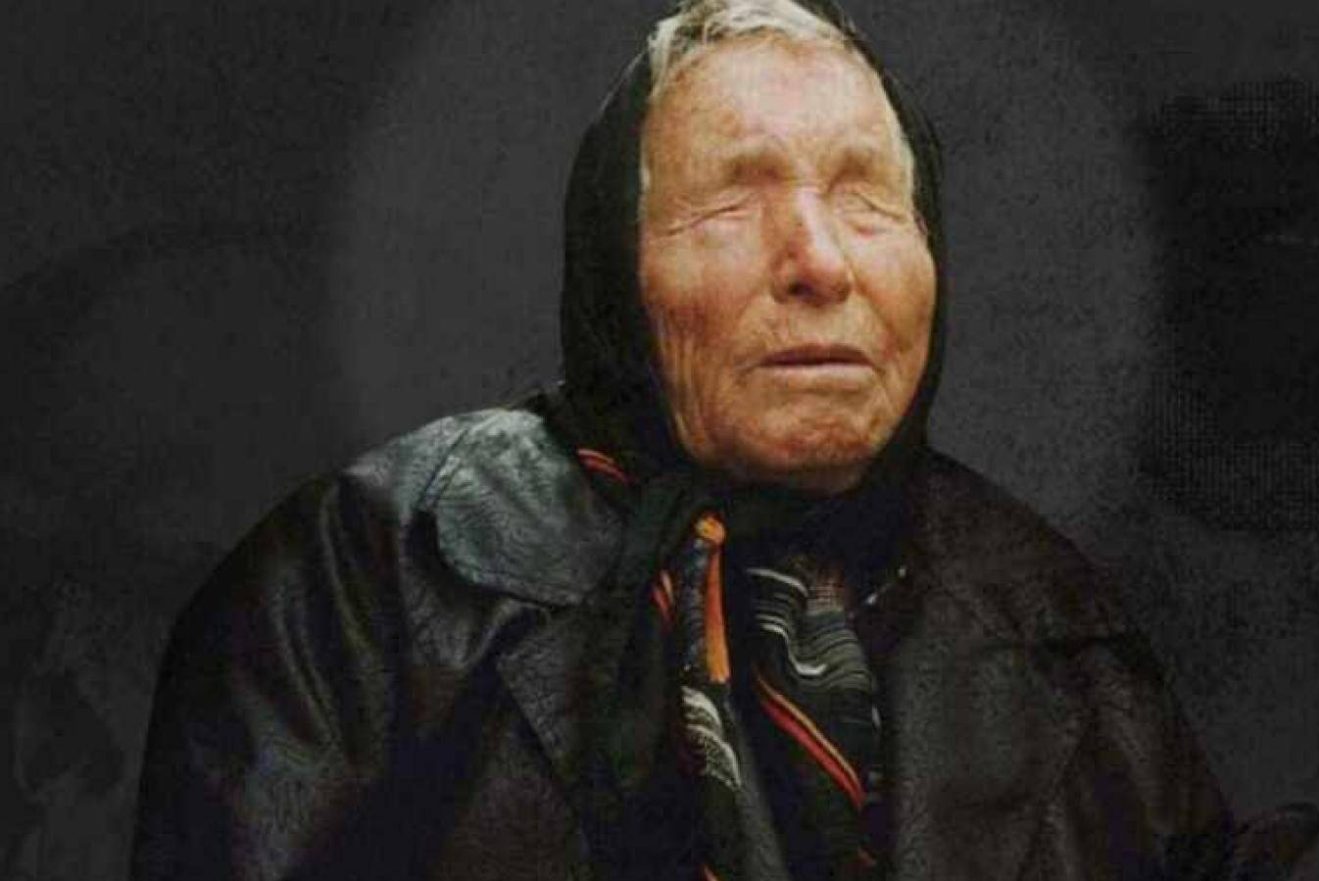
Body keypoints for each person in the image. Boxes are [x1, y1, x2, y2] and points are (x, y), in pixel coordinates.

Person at [131, 0, 1249, 878]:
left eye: (868, 201)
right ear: (615, 272)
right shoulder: (366, 575)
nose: (820, 263)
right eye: (730, 203)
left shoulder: (1060, 625)